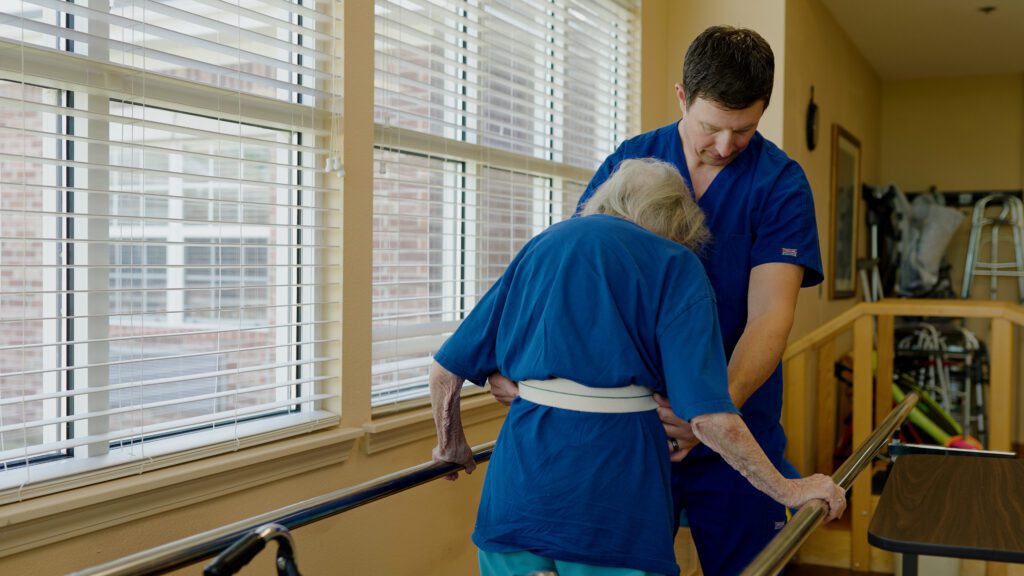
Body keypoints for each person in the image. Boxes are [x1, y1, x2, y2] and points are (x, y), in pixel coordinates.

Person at [487, 26, 824, 575]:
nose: (724, 146)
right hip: (626, 433)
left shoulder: (779, 183)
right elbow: (573, 273)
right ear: (682, 97)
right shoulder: (633, 160)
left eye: (743, 130)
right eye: (712, 127)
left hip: (736, 423)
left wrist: (706, 414)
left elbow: (769, 316)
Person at [431, 159, 845, 576]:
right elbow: (709, 418)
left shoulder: (543, 245)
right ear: (678, 222)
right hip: (611, 506)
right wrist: (790, 489)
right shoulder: (675, 264)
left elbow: (445, 371)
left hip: (514, 494)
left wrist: (451, 445)